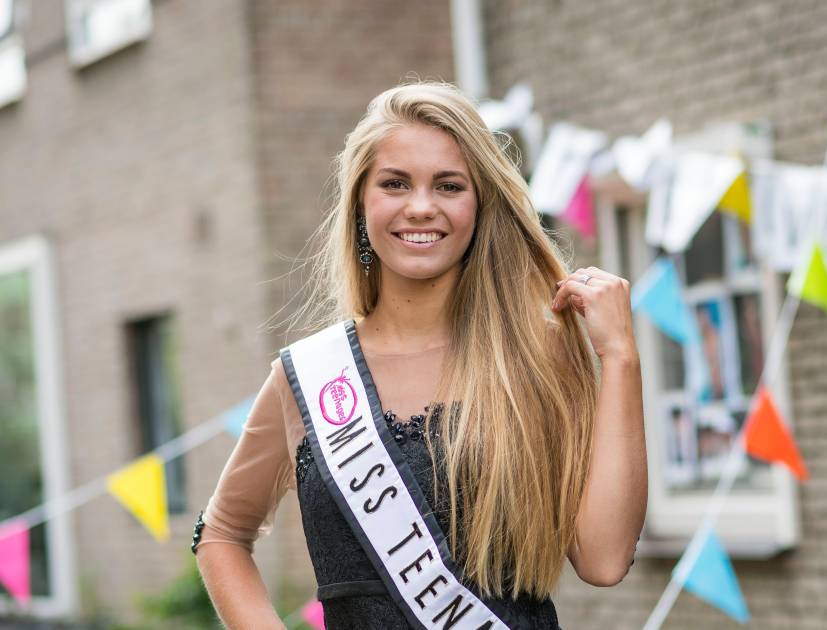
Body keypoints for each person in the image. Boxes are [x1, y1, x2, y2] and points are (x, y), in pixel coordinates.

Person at [192, 81, 647, 629]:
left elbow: (602, 560)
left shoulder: (534, 358)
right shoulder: (311, 375)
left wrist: (620, 357)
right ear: (362, 203)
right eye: (395, 183)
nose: (422, 207)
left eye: (449, 186)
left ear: (479, 206)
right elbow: (220, 535)